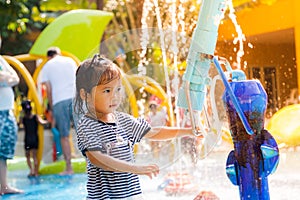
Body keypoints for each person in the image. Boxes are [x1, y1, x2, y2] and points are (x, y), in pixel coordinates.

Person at [74, 54, 201, 200]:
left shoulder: (122, 120)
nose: (115, 96)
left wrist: (188, 131)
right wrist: (135, 169)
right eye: (107, 91)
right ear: (85, 94)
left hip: (131, 195)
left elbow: (153, 132)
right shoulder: (87, 125)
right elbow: (97, 159)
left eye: (118, 89)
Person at [40, 47, 77, 175]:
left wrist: (51, 106)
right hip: (75, 98)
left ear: (48, 56)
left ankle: (69, 168)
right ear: (59, 53)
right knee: (84, 131)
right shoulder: (70, 61)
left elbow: (48, 89)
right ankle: (94, 164)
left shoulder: (47, 66)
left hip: (59, 101)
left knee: (64, 136)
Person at [0, 46, 23, 194]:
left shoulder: (1, 59)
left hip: (6, 111)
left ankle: (3, 185)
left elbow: (15, 78)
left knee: (4, 151)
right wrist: (5, 78)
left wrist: (4, 78)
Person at [21, 100, 48, 177]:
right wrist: (49, 121)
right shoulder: (36, 117)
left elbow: (19, 124)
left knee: (28, 156)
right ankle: (36, 172)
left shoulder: (23, 119)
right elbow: (42, 122)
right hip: (35, 138)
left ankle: (31, 170)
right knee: (34, 157)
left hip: (27, 139)